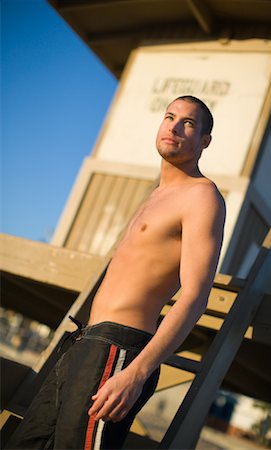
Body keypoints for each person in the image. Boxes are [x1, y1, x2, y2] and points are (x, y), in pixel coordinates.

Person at [6, 95, 225, 449]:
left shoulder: (202, 196)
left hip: (120, 350)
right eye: (169, 116)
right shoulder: (155, 196)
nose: (173, 126)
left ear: (204, 141)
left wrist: (136, 372)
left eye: (187, 122)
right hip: (84, 343)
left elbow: (196, 295)